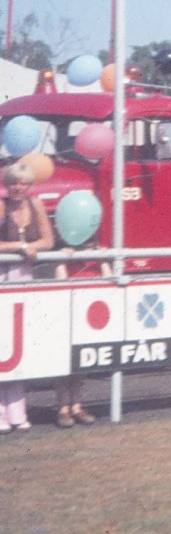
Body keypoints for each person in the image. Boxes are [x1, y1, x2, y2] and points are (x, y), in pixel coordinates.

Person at [1, 162, 53, 433]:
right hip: (1, 275)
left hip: (24, 277)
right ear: (7, 185)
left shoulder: (36, 205)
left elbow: (48, 241)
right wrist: (19, 247)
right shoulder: (1, 205)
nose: (18, 188)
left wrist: (30, 247)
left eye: (23, 183)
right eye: (14, 183)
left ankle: (18, 411)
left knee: (19, 345)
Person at [53, 236, 113, 426]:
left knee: (80, 364)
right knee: (64, 364)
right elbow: (59, 281)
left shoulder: (98, 255)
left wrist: (103, 259)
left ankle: (77, 406)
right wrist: (63, 259)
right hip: (70, 311)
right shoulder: (66, 256)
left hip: (90, 315)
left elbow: (109, 281)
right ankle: (63, 408)